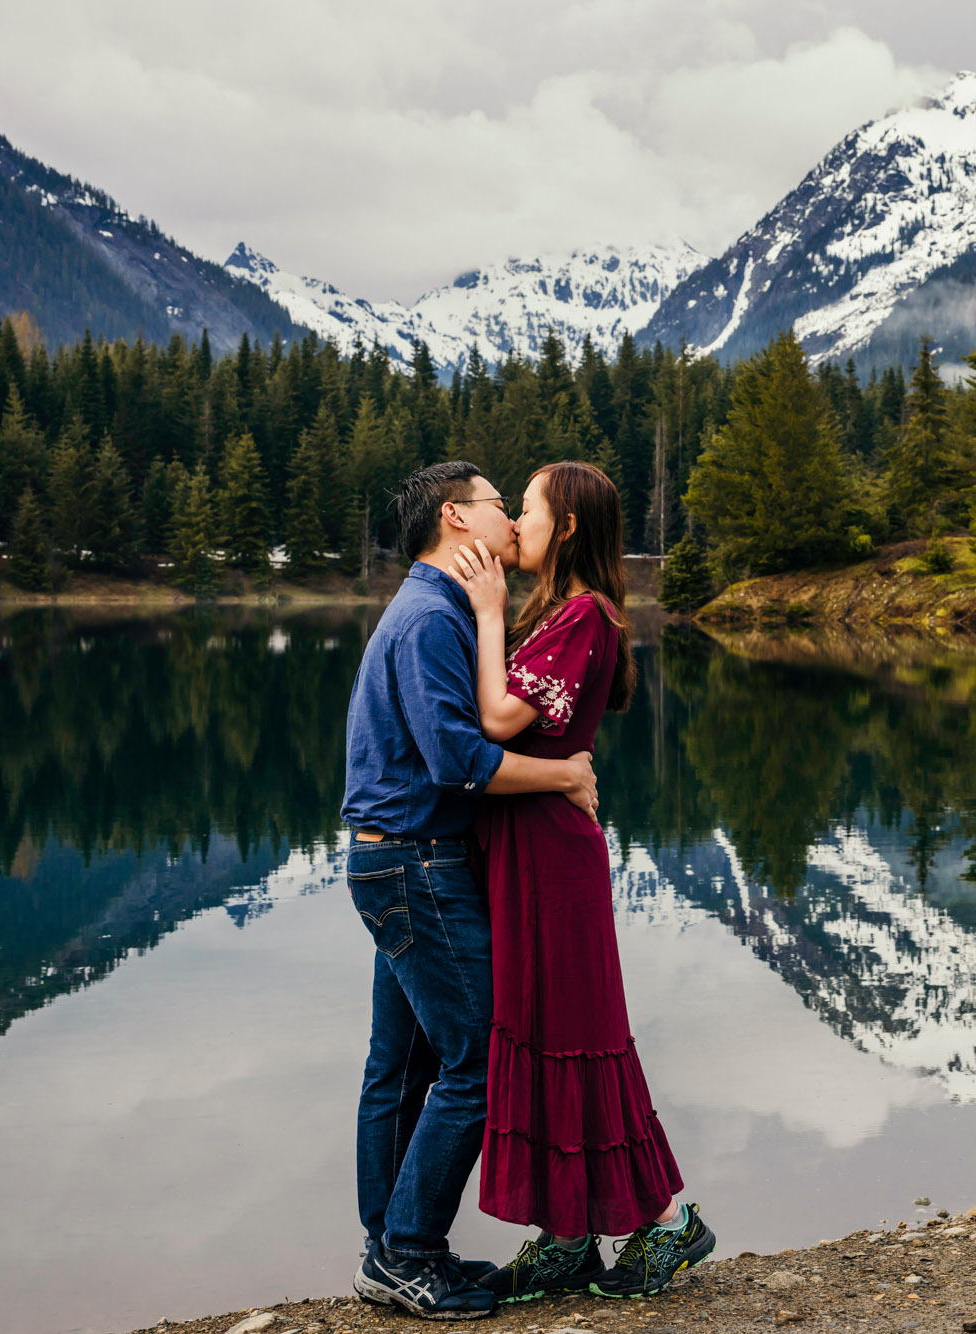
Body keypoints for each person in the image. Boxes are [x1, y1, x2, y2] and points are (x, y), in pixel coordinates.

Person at [442, 461, 717, 1305]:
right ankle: (565, 1233)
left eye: (525, 509)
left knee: (577, 1031)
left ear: (564, 527)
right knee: (533, 1024)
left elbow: (495, 721)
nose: (515, 524)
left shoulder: (584, 617)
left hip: (554, 858)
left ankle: (667, 1225)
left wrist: (486, 615)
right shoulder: (557, 613)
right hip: (525, 848)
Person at [343, 461, 600, 1321]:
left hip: (396, 862)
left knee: (404, 1067)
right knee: (477, 1062)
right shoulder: (430, 619)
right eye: (501, 506)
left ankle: (392, 1250)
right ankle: (407, 1252)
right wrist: (563, 775)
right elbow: (462, 759)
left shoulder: (438, 611)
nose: (511, 522)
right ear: (457, 518)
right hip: (416, 866)